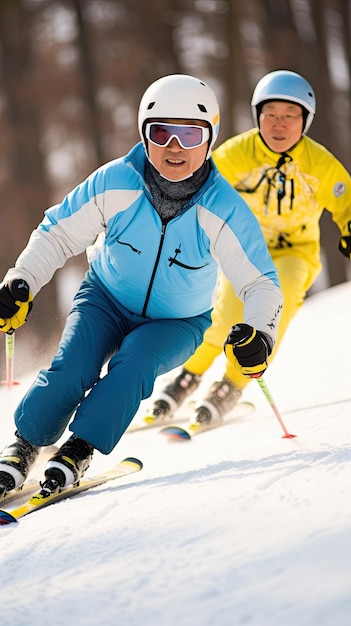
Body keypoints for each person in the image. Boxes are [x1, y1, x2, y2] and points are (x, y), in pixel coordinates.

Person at [0, 74, 282, 496]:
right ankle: (25, 445)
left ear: (210, 139)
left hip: (177, 322)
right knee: (72, 368)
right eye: (161, 132)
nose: (175, 147)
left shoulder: (223, 208)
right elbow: (58, 232)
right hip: (105, 299)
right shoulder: (116, 181)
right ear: (143, 135)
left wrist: (261, 332)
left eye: (190, 134)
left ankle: (79, 448)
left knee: (132, 365)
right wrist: (21, 281)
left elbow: (261, 282)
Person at [148, 69, 351, 424]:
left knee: (276, 304)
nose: (278, 125)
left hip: (295, 252)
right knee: (226, 315)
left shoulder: (318, 164)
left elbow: (345, 200)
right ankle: (188, 376)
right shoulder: (238, 154)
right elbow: (199, 183)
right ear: (258, 116)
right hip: (245, 248)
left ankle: (232, 383)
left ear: (305, 121)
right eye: (270, 115)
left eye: (290, 116)